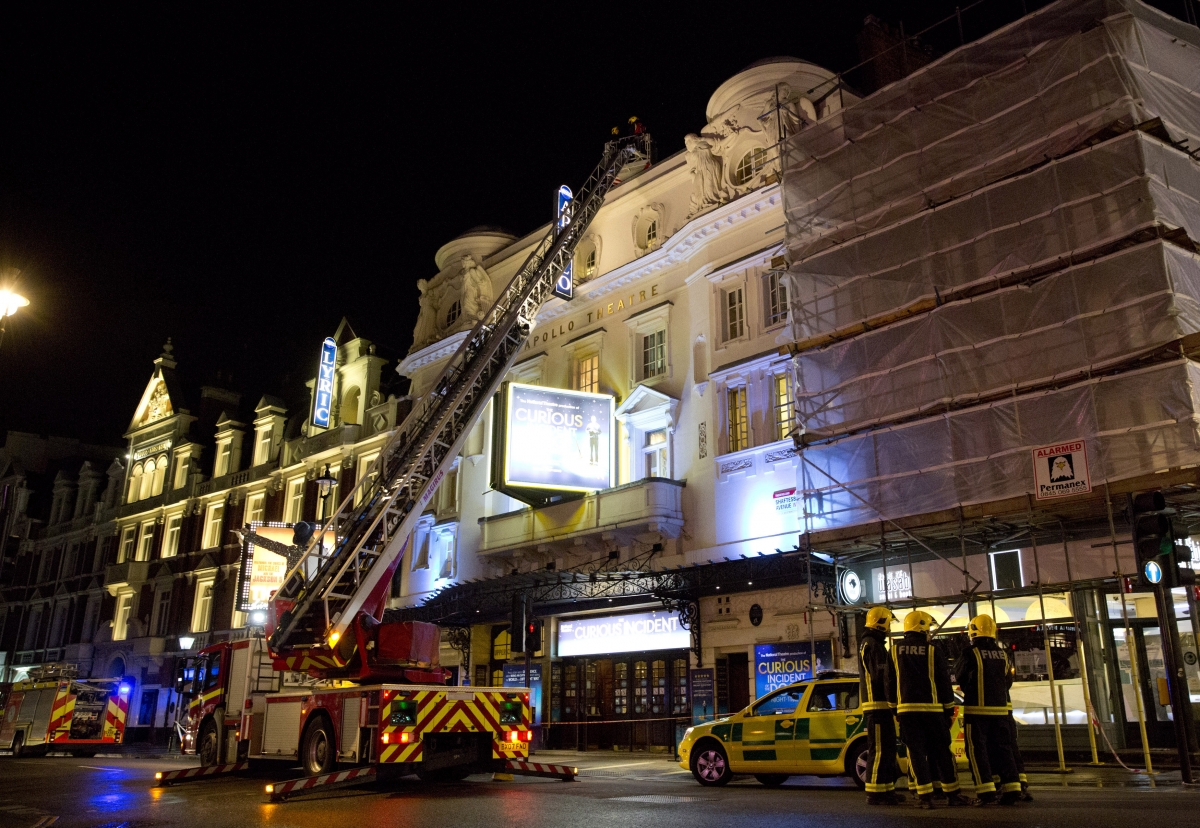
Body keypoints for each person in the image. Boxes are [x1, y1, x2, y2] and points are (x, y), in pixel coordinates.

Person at [894, 611, 970, 809]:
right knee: (942, 752)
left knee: (916, 753)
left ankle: (924, 797)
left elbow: (889, 682)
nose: (929, 633)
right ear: (922, 628)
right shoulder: (933, 651)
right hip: (933, 711)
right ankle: (952, 794)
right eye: (928, 629)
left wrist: (895, 709)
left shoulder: (894, 650)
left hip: (908, 712)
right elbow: (944, 682)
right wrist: (948, 709)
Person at [954, 614, 1022, 806]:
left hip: (976, 712)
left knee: (978, 752)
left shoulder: (970, 652)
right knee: (1003, 749)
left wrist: (971, 690)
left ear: (973, 631)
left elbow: (960, 676)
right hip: (1000, 711)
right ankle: (1013, 789)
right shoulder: (1003, 654)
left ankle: (985, 792)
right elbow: (1008, 681)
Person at [858, 606, 902, 806]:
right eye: (888, 623)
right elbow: (880, 676)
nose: (890, 627)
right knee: (878, 750)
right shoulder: (871, 644)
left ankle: (886, 791)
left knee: (887, 750)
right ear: (880, 623)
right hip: (876, 706)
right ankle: (875, 793)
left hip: (881, 706)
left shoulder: (874, 644)